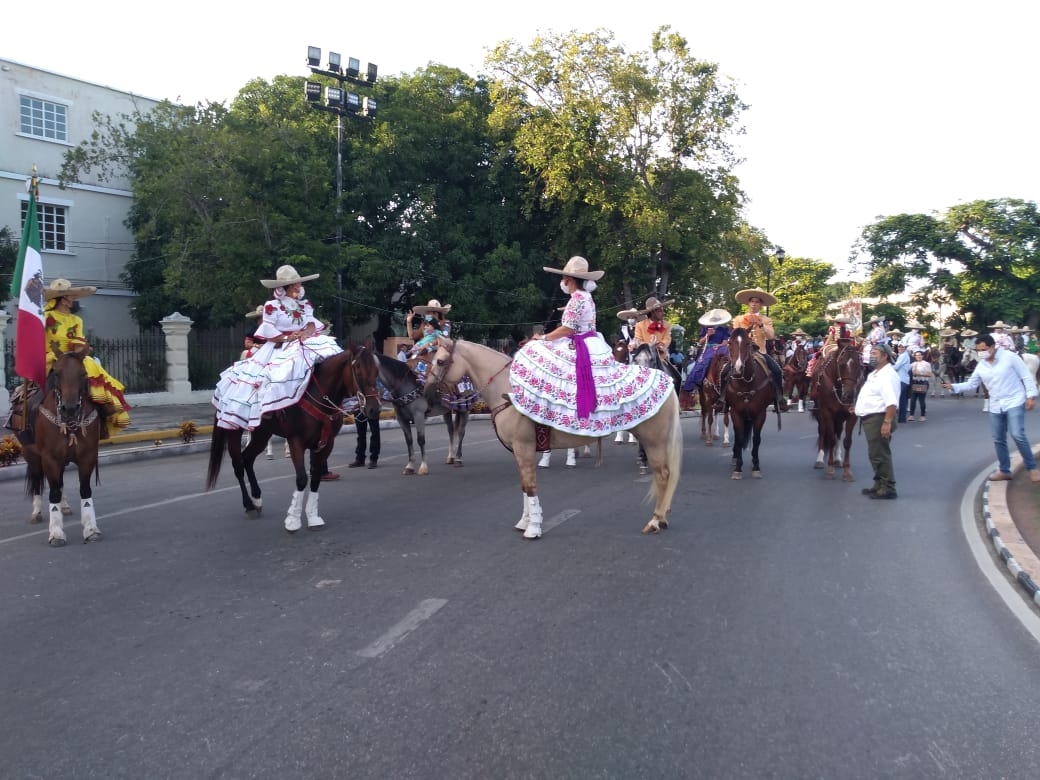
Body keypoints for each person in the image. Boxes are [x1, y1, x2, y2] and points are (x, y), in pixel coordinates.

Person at [509, 256, 673, 435]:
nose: (562, 282)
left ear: (568, 280)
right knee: (564, 376)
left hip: (581, 341)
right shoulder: (585, 297)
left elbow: (567, 329)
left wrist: (542, 338)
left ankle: (537, 406)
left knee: (535, 352)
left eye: (563, 278)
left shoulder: (577, 298)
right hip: (588, 341)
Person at [212, 264, 340, 432]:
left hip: (302, 342)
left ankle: (332, 400)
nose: (300, 287)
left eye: (299, 284)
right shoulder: (272, 306)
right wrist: (288, 337)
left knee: (330, 358)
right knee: (271, 375)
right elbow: (268, 330)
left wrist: (305, 333)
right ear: (289, 287)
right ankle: (268, 410)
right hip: (280, 345)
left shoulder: (305, 305)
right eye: (297, 284)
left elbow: (310, 323)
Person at [7, 278, 132, 442]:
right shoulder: (45, 316)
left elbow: (79, 339)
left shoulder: (76, 320)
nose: (73, 299)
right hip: (51, 357)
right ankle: (29, 420)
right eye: (69, 296)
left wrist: (82, 348)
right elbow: (35, 339)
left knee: (90, 366)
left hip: (73, 356)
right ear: (61, 298)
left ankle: (103, 410)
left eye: (73, 296)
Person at [944, 333, 1040, 483]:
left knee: (1017, 434)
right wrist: (953, 386)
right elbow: (972, 384)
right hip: (996, 404)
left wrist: (1031, 396)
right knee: (998, 439)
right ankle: (1004, 470)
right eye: (978, 350)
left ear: (993, 347)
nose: (981, 352)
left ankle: (1032, 468)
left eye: (984, 349)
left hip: (1014, 400)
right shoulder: (981, 365)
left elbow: (1026, 376)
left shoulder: (1010, 357)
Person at [854, 343, 901, 499]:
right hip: (871, 418)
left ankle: (888, 487)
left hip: (879, 418)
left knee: (880, 454)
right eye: (871, 353)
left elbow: (891, 403)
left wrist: (886, 423)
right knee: (875, 453)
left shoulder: (888, 375)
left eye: (874, 353)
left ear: (884, 356)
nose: (871, 356)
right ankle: (879, 484)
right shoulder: (875, 373)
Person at [729, 288, 787, 410]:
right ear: (748, 303)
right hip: (742, 351)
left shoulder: (767, 320)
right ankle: (722, 399)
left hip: (760, 351)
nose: (754, 304)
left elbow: (771, 336)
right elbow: (735, 335)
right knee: (724, 370)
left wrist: (761, 325)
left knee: (777, 371)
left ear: (760, 304)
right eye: (752, 301)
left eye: (757, 302)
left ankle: (779, 399)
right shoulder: (739, 319)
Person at [681, 309, 732, 393]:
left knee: (726, 356)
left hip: (721, 347)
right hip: (707, 348)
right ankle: (695, 384)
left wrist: (719, 345)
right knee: (702, 362)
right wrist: (707, 335)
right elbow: (700, 342)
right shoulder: (705, 327)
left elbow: (725, 342)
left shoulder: (724, 328)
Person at [632, 296, 675, 361]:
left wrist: (659, 346)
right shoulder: (639, 325)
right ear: (653, 312)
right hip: (644, 357)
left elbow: (667, 339)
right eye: (660, 311)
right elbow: (638, 340)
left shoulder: (667, 325)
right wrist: (649, 346)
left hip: (661, 356)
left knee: (672, 370)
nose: (663, 313)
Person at [908, 349, 933, 421]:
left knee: (921, 400)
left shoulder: (926, 364)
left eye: (919, 355)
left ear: (922, 356)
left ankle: (923, 415)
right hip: (914, 382)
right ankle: (911, 415)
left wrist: (919, 374)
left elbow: (929, 374)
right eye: (916, 355)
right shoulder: (913, 364)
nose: (918, 356)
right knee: (913, 400)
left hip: (923, 382)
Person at [892, 342, 911, 424]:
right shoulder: (902, 355)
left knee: (901, 400)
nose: (900, 348)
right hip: (903, 379)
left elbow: (896, 367)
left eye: (902, 347)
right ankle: (901, 418)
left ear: (905, 348)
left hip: (902, 380)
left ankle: (901, 418)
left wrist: (886, 367)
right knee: (902, 400)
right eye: (899, 347)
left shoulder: (903, 356)